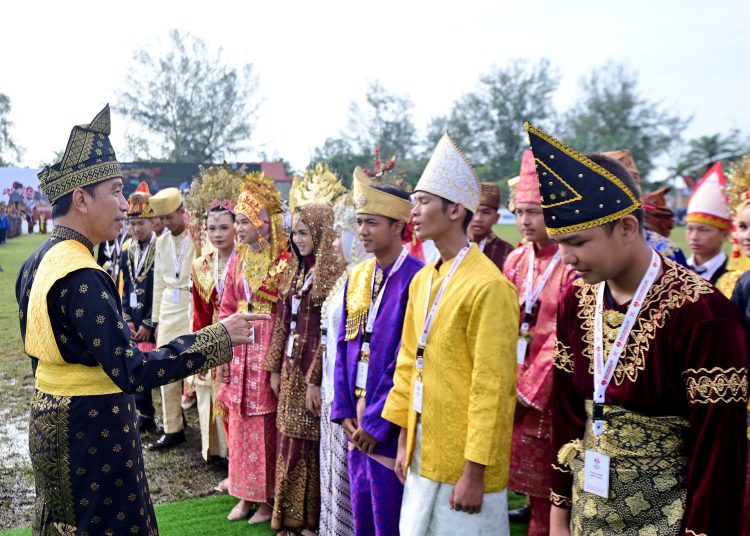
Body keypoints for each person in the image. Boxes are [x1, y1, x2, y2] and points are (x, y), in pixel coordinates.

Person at [16, 104, 262, 535]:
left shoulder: (38, 261)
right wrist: (216, 339)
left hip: (49, 420)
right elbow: (133, 369)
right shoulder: (83, 276)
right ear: (81, 198)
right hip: (92, 430)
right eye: (115, 191)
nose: (126, 205)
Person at [521, 123, 748, 535]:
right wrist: (559, 514)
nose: (567, 257)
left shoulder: (703, 315)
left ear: (626, 227)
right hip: (586, 516)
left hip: (669, 521)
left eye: (579, 241)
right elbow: (569, 412)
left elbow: (719, 453)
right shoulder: (578, 299)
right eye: (561, 243)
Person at [382, 133, 518, 535]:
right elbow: (408, 361)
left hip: (463, 458)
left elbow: (491, 386)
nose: (414, 212)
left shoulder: (489, 287)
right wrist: (404, 436)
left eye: (423, 202)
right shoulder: (423, 281)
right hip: (424, 444)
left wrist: (475, 471)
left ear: (456, 209)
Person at [331, 168, 423, 536]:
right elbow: (343, 346)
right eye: (359, 222)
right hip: (356, 413)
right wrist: (343, 411)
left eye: (372, 223)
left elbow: (409, 357)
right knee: (362, 512)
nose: (363, 231)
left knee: (390, 514)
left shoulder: (417, 278)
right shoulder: (359, 275)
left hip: (389, 420)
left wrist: (375, 422)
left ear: (399, 226)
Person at [502, 149, 575, 535]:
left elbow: (565, 334)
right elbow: (501, 326)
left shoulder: (570, 263)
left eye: (534, 212)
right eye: (519, 212)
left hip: (551, 394)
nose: (525, 221)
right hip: (512, 384)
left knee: (555, 493)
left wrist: (527, 392)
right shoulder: (514, 260)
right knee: (530, 497)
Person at [215, 172, 290, 523]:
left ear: (263, 222)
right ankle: (243, 494)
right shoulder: (238, 260)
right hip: (242, 348)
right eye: (238, 221)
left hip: (269, 348)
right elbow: (227, 305)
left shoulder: (284, 262)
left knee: (266, 426)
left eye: (245, 221)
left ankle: (268, 499)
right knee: (241, 422)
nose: (239, 228)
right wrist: (223, 351)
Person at [266, 202, 343, 535]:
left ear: (322, 233)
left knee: (309, 446)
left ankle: (309, 521)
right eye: (295, 232)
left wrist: (314, 379)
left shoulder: (334, 276)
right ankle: (286, 519)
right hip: (289, 366)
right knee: (288, 441)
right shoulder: (293, 272)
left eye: (305, 232)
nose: (298, 239)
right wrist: (273, 369)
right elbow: (281, 323)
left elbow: (328, 336)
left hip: (314, 370)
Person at [187, 165, 248, 468]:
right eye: (212, 229)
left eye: (224, 227)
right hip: (214, 338)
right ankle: (222, 456)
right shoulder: (200, 266)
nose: (218, 234)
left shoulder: (248, 262)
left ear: (237, 226)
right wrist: (199, 352)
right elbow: (199, 315)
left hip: (244, 342)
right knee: (216, 397)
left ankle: (240, 462)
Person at [319, 193, 368, 536]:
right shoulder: (346, 279)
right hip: (331, 393)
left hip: (351, 400)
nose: (335, 243)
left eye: (341, 234)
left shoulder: (366, 283)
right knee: (332, 478)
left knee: (348, 481)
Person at [147, 186, 195, 450]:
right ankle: (172, 427)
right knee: (164, 366)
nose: (165, 224)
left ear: (182, 212)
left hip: (190, 304)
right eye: (162, 219)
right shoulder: (162, 241)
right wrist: (155, 321)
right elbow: (157, 282)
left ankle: (218, 443)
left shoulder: (197, 237)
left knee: (198, 367)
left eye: (170, 218)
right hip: (167, 306)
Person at [119, 181, 159, 433]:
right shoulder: (127, 250)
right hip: (134, 320)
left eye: (141, 223)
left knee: (160, 369)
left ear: (153, 221)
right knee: (137, 368)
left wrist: (148, 323)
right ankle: (144, 414)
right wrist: (128, 319)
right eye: (132, 224)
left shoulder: (160, 248)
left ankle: (173, 419)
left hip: (153, 320)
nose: (136, 229)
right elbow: (125, 289)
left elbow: (159, 288)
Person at [685, 162, 738, 292]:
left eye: (703, 230)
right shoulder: (676, 268)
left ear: (725, 234)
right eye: (690, 229)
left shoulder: (734, 276)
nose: (694, 237)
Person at [468, 182, 514, 271]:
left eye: (485, 212)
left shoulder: (508, 252)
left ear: (497, 218)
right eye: (474, 211)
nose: (478, 218)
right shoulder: (451, 247)